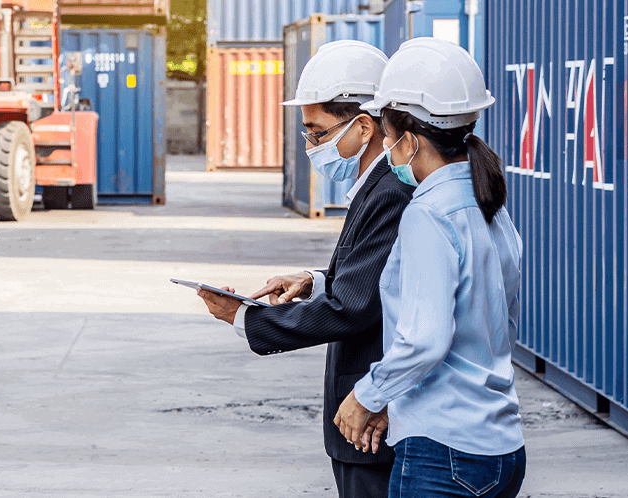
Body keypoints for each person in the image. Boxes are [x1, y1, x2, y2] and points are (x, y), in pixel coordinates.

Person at [197, 40, 413, 497]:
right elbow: (371, 278)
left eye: (317, 133)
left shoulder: (391, 190)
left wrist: (246, 318)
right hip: (365, 421)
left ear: (363, 126)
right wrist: (313, 280)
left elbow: (352, 308)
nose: (312, 146)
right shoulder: (372, 184)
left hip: (373, 421)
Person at [334, 38, 525, 497]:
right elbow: (498, 323)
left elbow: (425, 338)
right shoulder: (489, 204)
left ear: (410, 140)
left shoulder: (427, 214)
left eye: (387, 135)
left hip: (444, 454)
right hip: (501, 448)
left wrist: (368, 395)